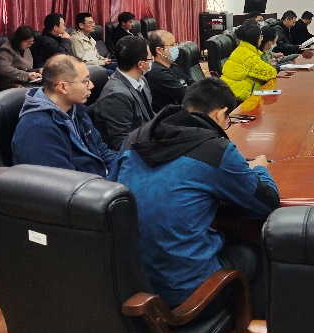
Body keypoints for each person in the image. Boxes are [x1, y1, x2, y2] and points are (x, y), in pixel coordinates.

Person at [108, 77, 279, 318]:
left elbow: (112, 194)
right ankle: (250, 332)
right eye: (228, 121)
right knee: (255, 252)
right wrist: (259, 168)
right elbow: (267, 203)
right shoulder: (216, 150)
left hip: (128, 284)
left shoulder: (134, 138)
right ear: (220, 114)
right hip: (184, 295)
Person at [12, 54, 116, 176]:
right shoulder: (38, 129)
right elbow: (62, 183)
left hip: (101, 181)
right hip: (85, 186)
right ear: (63, 87)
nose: (91, 85)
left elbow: (101, 151)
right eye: (85, 81)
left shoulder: (75, 110)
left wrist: (123, 171)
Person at [92, 36, 154, 151]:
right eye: (150, 58)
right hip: (129, 151)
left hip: (145, 137)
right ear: (141, 64)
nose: (152, 61)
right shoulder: (116, 95)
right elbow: (122, 142)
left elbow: (149, 116)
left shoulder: (141, 80)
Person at [221, 22, 277, 102]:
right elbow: (271, 73)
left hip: (231, 91)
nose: (262, 39)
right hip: (238, 96)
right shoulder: (249, 56)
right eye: (261, 36)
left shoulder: (241, 49)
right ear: (255, 38)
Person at [146, 30, 194, 112]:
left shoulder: (172, 65)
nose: (176, 48)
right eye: (172, 45)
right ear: (159, 50)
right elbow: (186, 94)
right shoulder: (158, 73)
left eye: (176, 44)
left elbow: (191, 82)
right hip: (172, 116)